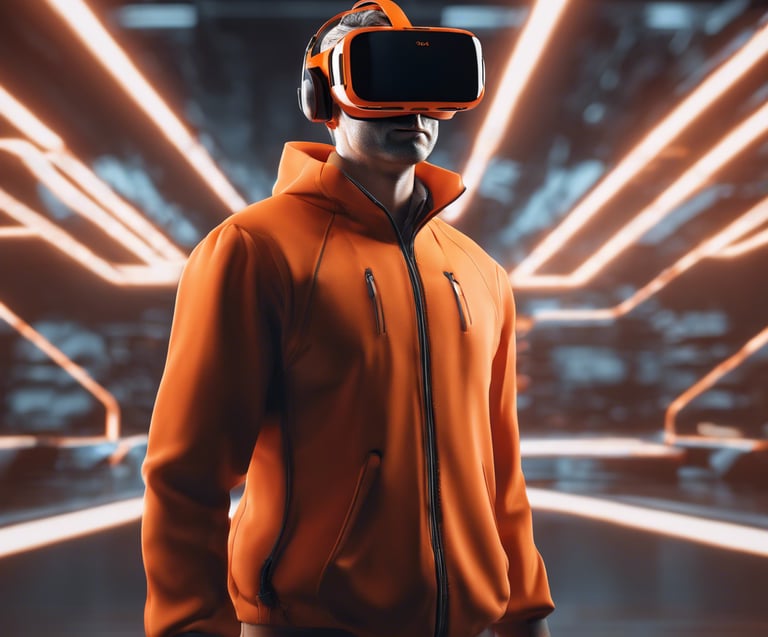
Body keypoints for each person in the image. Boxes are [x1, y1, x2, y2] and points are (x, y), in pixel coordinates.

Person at [141, 2, 554, 636]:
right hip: (307, 626)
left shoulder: (481, 273)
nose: (411, 108)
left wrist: (525, 613)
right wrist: (192, 626)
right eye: (382, 82)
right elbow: (187, 472)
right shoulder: (254, 251)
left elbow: (499, 471)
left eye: (428, 87)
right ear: (322, 97)